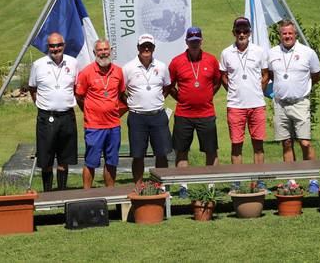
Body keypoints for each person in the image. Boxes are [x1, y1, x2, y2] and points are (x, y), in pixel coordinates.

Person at [168, 27, 222, 197]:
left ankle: (211, 186)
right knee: (182, 151)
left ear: (201, 41)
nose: (194, 44)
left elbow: (217, 82)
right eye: (191, 41)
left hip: (206, 113)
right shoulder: (177, 62)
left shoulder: (211, 60)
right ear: (186, 42)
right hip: (184, 114)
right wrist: (181, 98)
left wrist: (207, 96)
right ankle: (183, 186)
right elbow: (170, 85)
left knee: (211, 150)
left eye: (197, 41)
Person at [28, 32, 78, 191]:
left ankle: (62, 192)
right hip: (46, 118)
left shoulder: (73, 63)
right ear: (47, 47)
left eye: (58, 45)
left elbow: (76, 87)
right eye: (52, 46)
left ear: (64, 45)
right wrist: (42, 104)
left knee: (64, 159)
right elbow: (32, 88)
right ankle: (48, 193)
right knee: (46, 159)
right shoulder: (38, 65)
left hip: (67, 116)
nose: (55, 49)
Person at [75, 39, 127, 188]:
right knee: (91, 162)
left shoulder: (118, 71)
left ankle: (110, 193)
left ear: (111, 51)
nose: (103, 53)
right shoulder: (86, 72)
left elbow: (121, 94)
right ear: (94, 53)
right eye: (100, 50)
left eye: (106, 49)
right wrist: (89, 111)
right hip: (94, 126)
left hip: (113, 125)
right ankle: (87, 194)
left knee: (111, 161)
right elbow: (79, 96)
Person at [268, 19, 320, 162]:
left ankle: (311, 175)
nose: (287, 36)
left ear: (295, 34)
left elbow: (317, 75)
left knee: (305, 142)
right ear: (280, 35)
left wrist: (302, 87)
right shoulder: (272, 53)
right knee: (286, 143)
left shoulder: (308, 52)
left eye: (290, 33)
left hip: (300, 103)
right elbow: (272, 75)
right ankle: (291, 176)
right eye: (284, 33)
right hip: (280, 104)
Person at [220, 17, 269, 167]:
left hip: (257, 105)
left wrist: (258, 91)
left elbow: (265, 75)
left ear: (250, 33)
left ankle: (259, 178)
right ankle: (238, 179)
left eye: (245, 31)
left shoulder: (259, 51)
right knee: (236, 146)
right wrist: (233, 90)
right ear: (233, 32)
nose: (242, 34)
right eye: (238, 31)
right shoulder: (226, 53)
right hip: (235, 106)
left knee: (258, 145)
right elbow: (223, 76)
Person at [122, 34, 172, 184]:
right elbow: (120, 91)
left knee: (162, 153)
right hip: (137, 117)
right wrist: (130, 102)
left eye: (149, 46)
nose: (146, 49)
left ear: (154, 48)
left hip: (158, 115)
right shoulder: (128, 68)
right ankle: (138, 187)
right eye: (143, 46)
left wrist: (158, 99)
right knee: (138, 155)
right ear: (138, 48)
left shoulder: (161, 66)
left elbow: (167, 87)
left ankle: (160, 186)